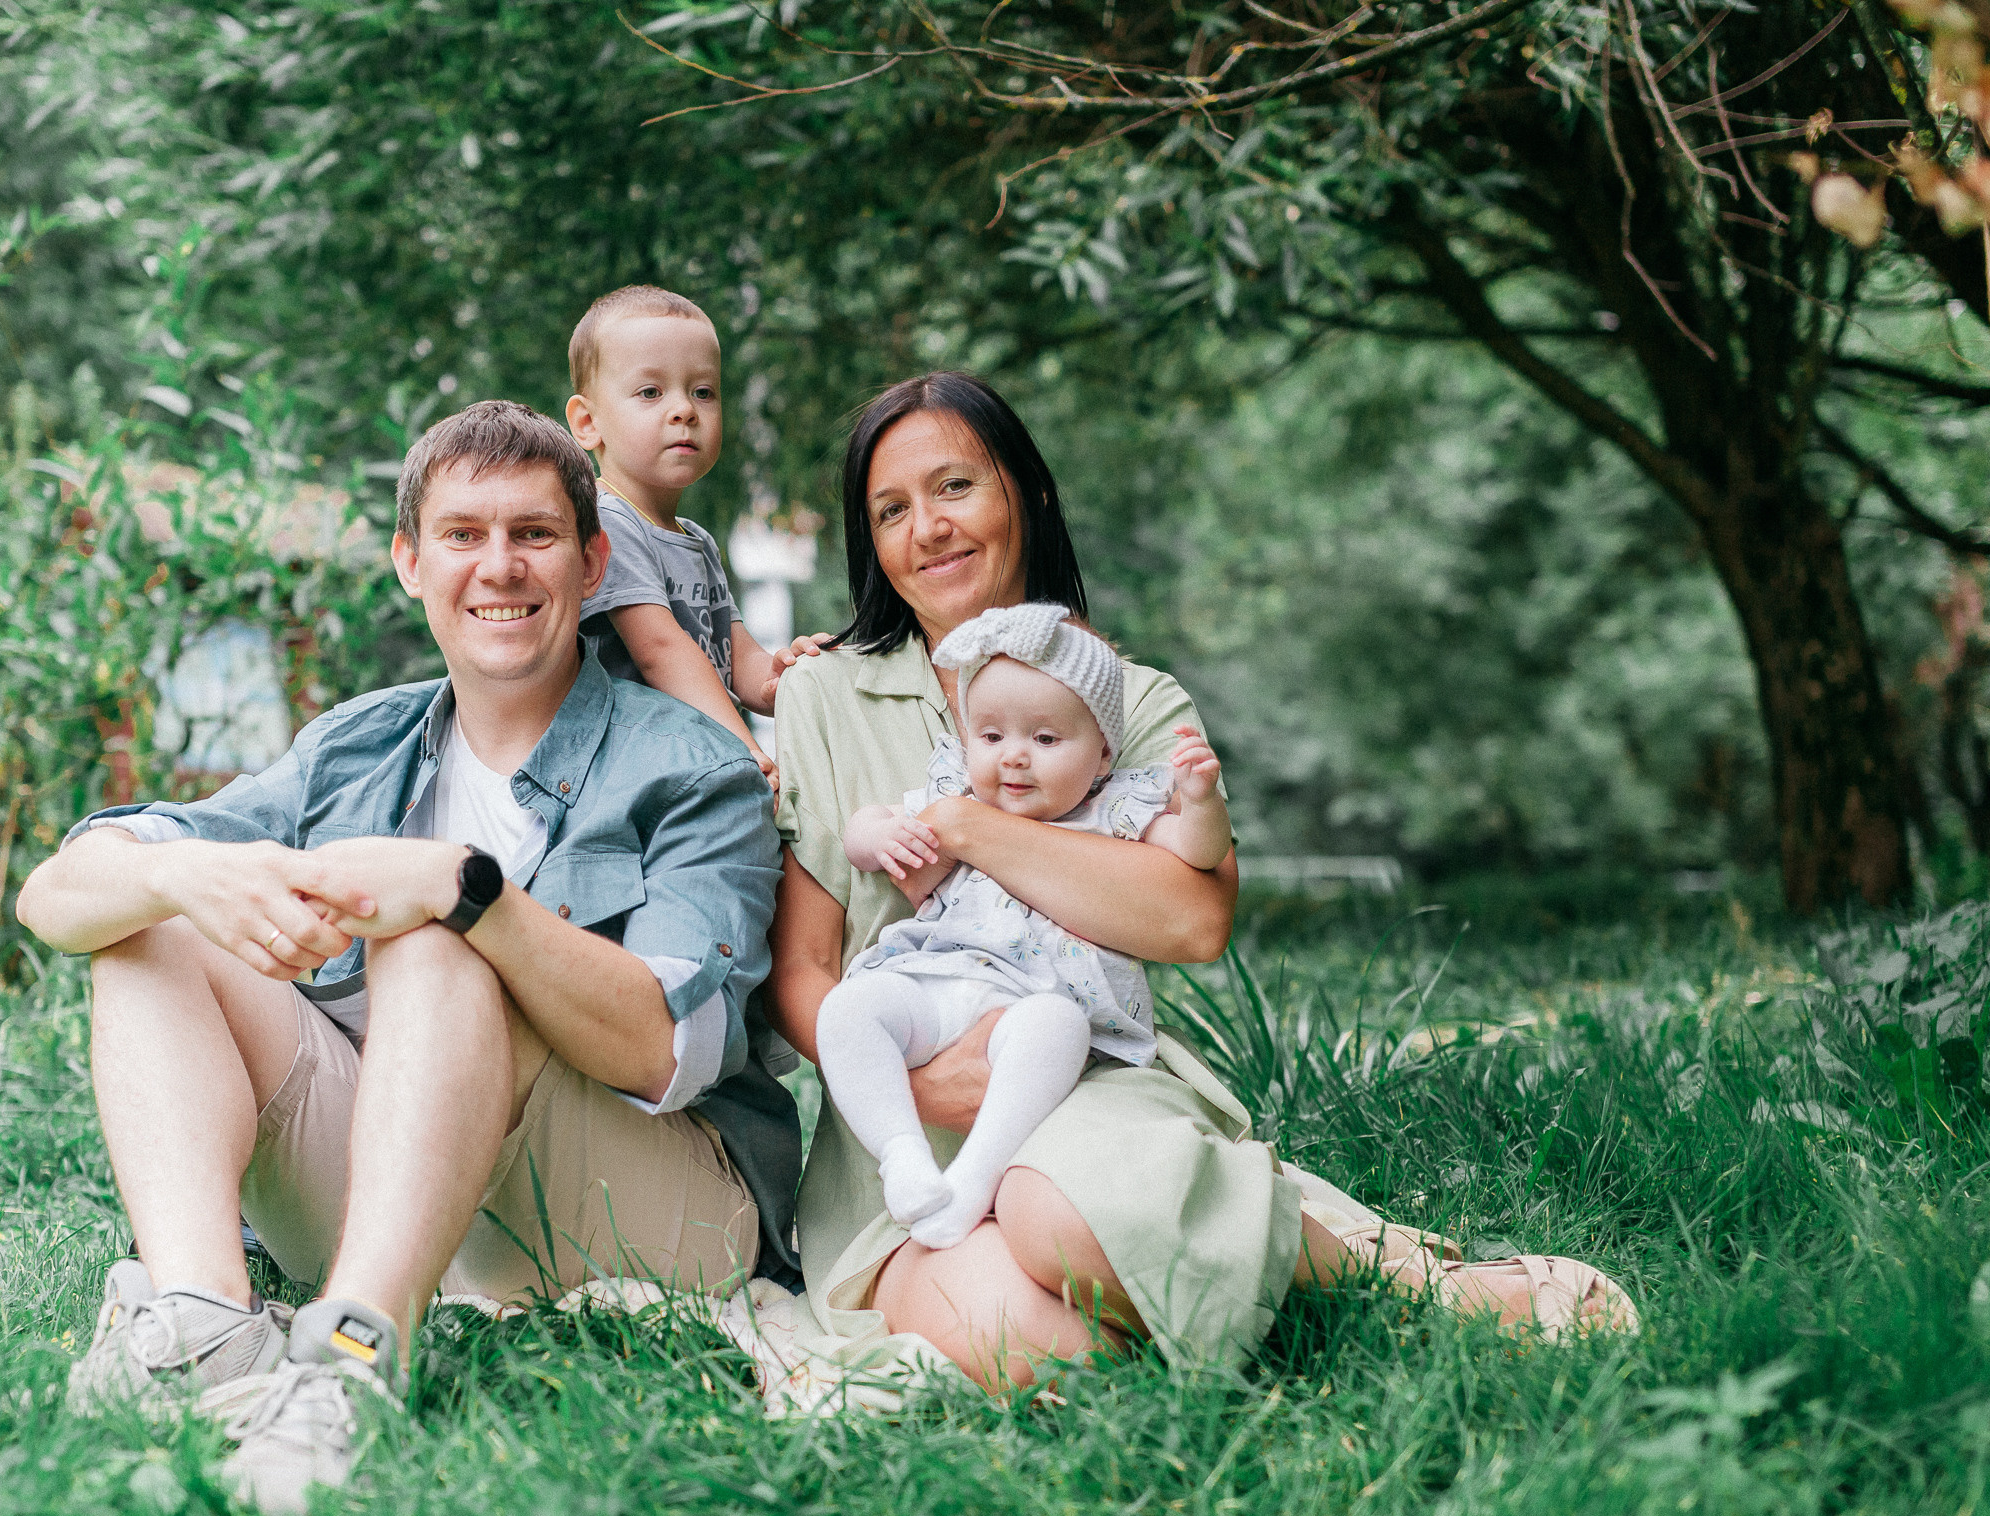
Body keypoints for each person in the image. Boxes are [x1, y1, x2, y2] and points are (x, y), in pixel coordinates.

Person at [766, 372, 1637, 1391]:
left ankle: (1405, 1280)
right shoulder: (824, 694)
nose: (928, 527)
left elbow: (1190, 918)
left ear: (1028, 497)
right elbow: (803, 968)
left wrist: (967, 824)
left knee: (1065, 1210)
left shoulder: (1134, 701)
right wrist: (917, 1083)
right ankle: (1244, 1250)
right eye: (891, 509)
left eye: (956, 485)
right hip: (898, 1151)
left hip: (1089, 1094)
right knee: (1052, 1357)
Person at [15, 400, 797, 1515]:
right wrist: (178, 875)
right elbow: (57, 892)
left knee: (436, 947)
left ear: (593, 558)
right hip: (414, 1186)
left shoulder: (690, 764)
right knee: (152, 923)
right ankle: (202, 1328)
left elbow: (671, 1049)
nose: (499, 567)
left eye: (533, 533)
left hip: (646, 1201)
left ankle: (348, 1365)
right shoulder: (357, 744)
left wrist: (469, 893)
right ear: (409, 561)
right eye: (464, 534)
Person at [820, 601, 1231, 1252]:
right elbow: (867, 830)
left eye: (1044, 739)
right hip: (937, 982)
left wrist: (1202, 800)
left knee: (1057, 1030)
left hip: (1034, 1005)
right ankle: (903, 1158)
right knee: (847, 1010)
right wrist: (874, 835)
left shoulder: (1114, 806)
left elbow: (1197, 853)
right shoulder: (955, 795)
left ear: (1101, 754)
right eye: (990, 736)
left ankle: (975, 1179)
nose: (1013, 758)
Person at [562, 285, 825, 779]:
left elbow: (736, 655)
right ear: (588, 421)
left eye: (703, 391)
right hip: (632, 771)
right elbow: (661, 652)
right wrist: (743, 749)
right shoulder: (608, 521)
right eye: (651, 392)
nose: (685, 409)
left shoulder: (696, 540)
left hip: (696, 758)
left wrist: (785, 682)